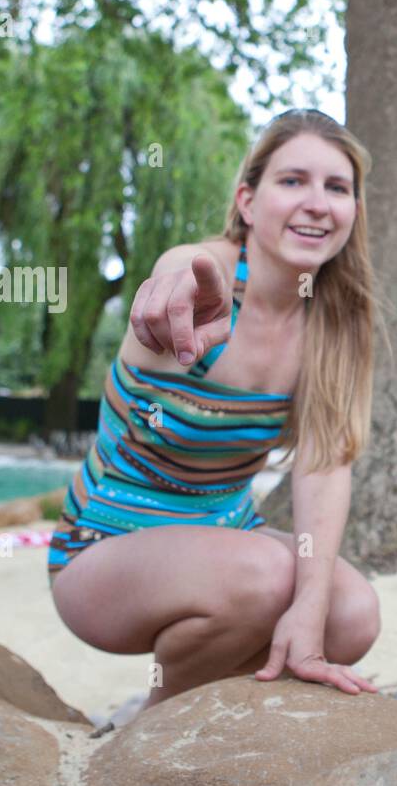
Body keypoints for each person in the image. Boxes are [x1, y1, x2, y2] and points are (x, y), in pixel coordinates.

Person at [48, 110, 380, 713]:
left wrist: (309, 614)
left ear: (354, 210)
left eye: (338, 188)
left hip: (226, 539)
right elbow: (186, 267)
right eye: (293, 181)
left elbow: (325, 467)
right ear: (247, 201)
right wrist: (174, 285)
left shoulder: (336, 323)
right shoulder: (205, 284)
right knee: (264, 577)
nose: (317, 203)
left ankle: (216, 712)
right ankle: (161, 719)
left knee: (351, 616)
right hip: (102, 549)